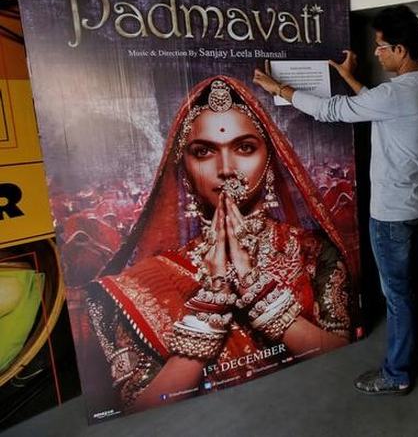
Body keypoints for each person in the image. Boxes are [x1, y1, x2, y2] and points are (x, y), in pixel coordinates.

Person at [86, 76, 356, 412]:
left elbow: (342, 353)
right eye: (203, 151)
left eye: (244, 148)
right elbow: (139, 408)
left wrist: (259, 294)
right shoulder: (145, 282)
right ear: (183, 167)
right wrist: (209, 310)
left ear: (270, 160)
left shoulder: (312, 252)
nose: (226, 169)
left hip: (311, 411)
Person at [253, 4, 418, 395]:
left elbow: (331, 111)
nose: (376, 53)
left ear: (401, 50)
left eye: (381, 47)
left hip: (392, 215)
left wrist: (279, 90)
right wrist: (350, 78)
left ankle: (396, 374)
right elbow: (381, 107)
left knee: (397, 296)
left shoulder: (395, 95)